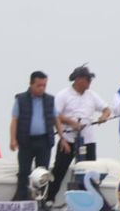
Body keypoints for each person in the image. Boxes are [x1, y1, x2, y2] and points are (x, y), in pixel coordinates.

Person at [46, 65, 111, 203]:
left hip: (87, 140)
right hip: (68, 139)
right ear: (79, 79)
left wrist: (103, 116)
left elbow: (106, 109)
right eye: (87, 79)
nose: (89, 83)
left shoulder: (92, 95)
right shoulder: (63, 95)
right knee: (59, 170)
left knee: (90, 171)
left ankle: (90, 201)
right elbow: (55, 115)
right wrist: (71, 122)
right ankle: (49, 199)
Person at [9, 70, 67, 201]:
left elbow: (56, 119)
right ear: (31, 84)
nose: (41, 88)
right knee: (24, 172)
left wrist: (62, 138)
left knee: (42, 173)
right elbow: (14, 120)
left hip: (44, 140)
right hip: (26, 140)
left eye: (44, 85)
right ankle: (22, 200)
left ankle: (41, 200)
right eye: (39, 85)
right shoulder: (21, 99)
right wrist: (12, 139)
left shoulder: (50, 100)